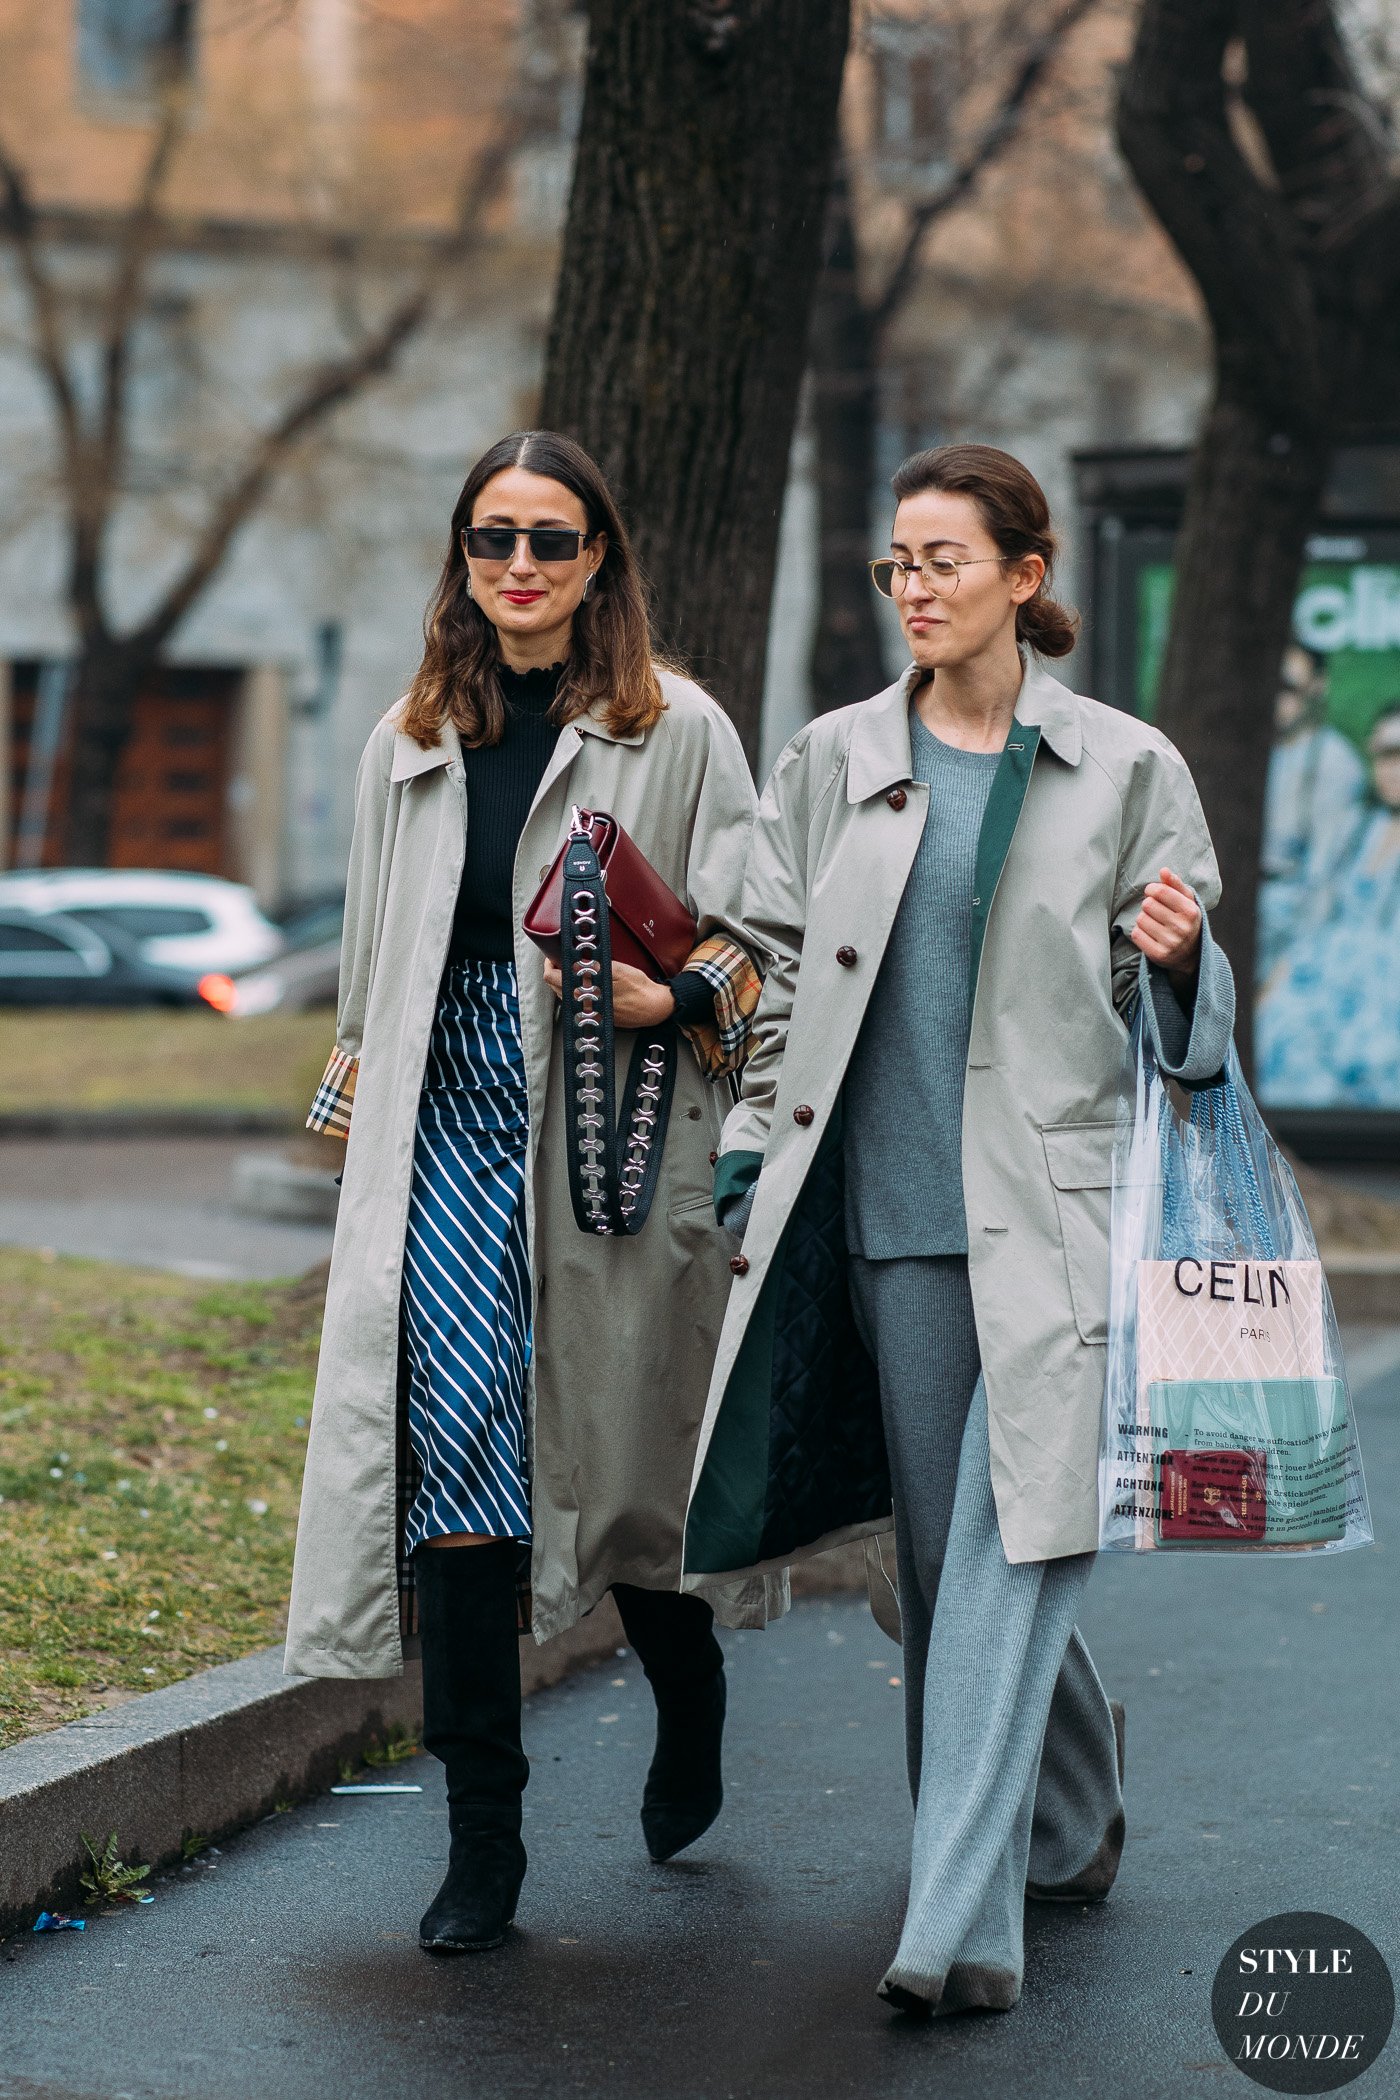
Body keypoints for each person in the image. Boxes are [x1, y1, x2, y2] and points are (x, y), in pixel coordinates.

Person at [685, 443, 1236, 2015]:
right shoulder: (833, 759)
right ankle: (1070, 1817)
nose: (914, 589)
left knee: (1017, 1537)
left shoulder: (1128, 767)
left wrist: (1185, 961)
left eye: (942, 561)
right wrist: (744, 1154)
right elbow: (769, 973)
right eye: (896, 567)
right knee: (950, 1561)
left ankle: (959, 1927)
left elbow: (1185, 1030)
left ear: (1025, 574)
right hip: (892, 1224)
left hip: (1061, 1220)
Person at [285, 430, 773, 1956]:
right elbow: (372, 975)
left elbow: (760, 935)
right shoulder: (409, 737)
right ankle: (481, 1841)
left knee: (624, 1467)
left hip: (611, 1149)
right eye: (492, 539)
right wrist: (349, 1139)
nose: (519, 567)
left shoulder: (672, 728)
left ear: (599, 561)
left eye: (551, 541)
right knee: (467, 1493)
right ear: (463, 557)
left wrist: (666, 1003)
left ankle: (685, 1695)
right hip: (442, 1154)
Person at [1257, 699, 1400, 1105]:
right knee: (1282, 1031)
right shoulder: (1353, 827)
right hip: (1324, 975)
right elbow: (1314, 911)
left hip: (1387, 993)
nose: (1392, 769)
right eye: (1384, 755)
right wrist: (1278, 977)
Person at [1257, 641, 1364, 976]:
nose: (1277, 698)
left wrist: (1290, 967)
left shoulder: (1336, 762)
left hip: (1295, 931)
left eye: (1289, 687)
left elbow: (1325, 879)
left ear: (1317, 686)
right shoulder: (1250, 752)